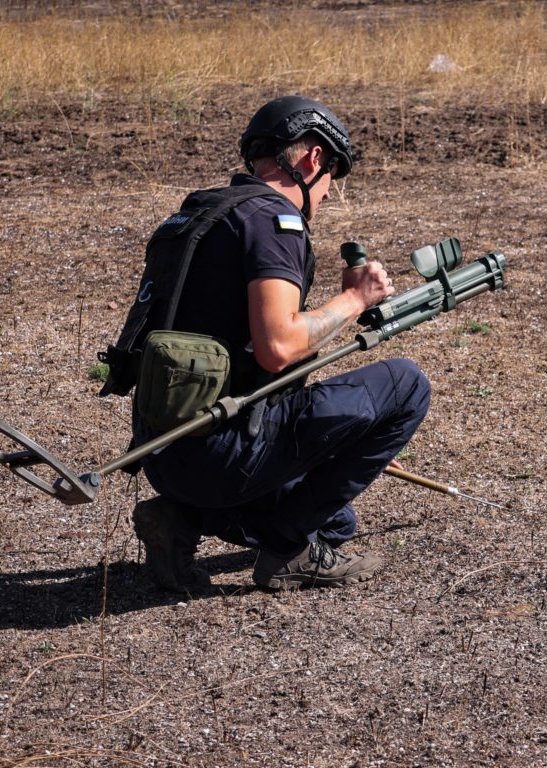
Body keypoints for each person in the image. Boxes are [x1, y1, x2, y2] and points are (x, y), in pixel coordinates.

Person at [128, 96, 431, 593]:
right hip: (223, 452)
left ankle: (181, 517)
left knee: (336, 523)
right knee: (407, 384)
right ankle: (285, 551)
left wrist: (344, 442)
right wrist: (355, 298)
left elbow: (244, 353)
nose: (330, 194)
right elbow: (277, 347)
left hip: (164, 453)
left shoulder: (201, 215)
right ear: (313, 160)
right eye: (334, 175)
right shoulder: (273, 223)